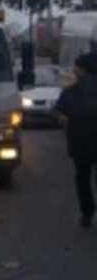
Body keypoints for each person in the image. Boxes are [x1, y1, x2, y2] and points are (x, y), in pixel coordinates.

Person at [54, 53, 97, 228]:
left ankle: (87, 213)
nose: (74, 69)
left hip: (80, 142)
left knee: (83, 178)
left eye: (76, 66)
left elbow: (59, 111)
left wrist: (62, 118)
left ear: (82, 69)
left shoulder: (72, 90)